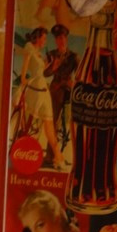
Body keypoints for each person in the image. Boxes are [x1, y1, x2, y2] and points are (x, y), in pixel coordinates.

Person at [14, 26, 65, 169]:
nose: (45, 41)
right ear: (37, 38)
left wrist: (50, 65)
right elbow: (25, 69)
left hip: (44, 91)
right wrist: (24, 80)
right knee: (31, 125)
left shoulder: (38, 53)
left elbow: (40, 71)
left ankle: (57, 156)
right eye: (43, 38)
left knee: (49, 125)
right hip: (35, 90)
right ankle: (24, 152)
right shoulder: (29, 48)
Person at [43, 23, 77, 151]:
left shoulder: (73, 56)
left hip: (68, 89)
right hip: (56, 90)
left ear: (66, 39)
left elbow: (80, 74)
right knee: (52, 120)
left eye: (62, 38)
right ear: (55, 40)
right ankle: (51, 153)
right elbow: (45, 73)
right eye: (58, 38)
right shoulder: (51, 55)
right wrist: (54, 67)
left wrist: (73, 82)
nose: (60, 41)